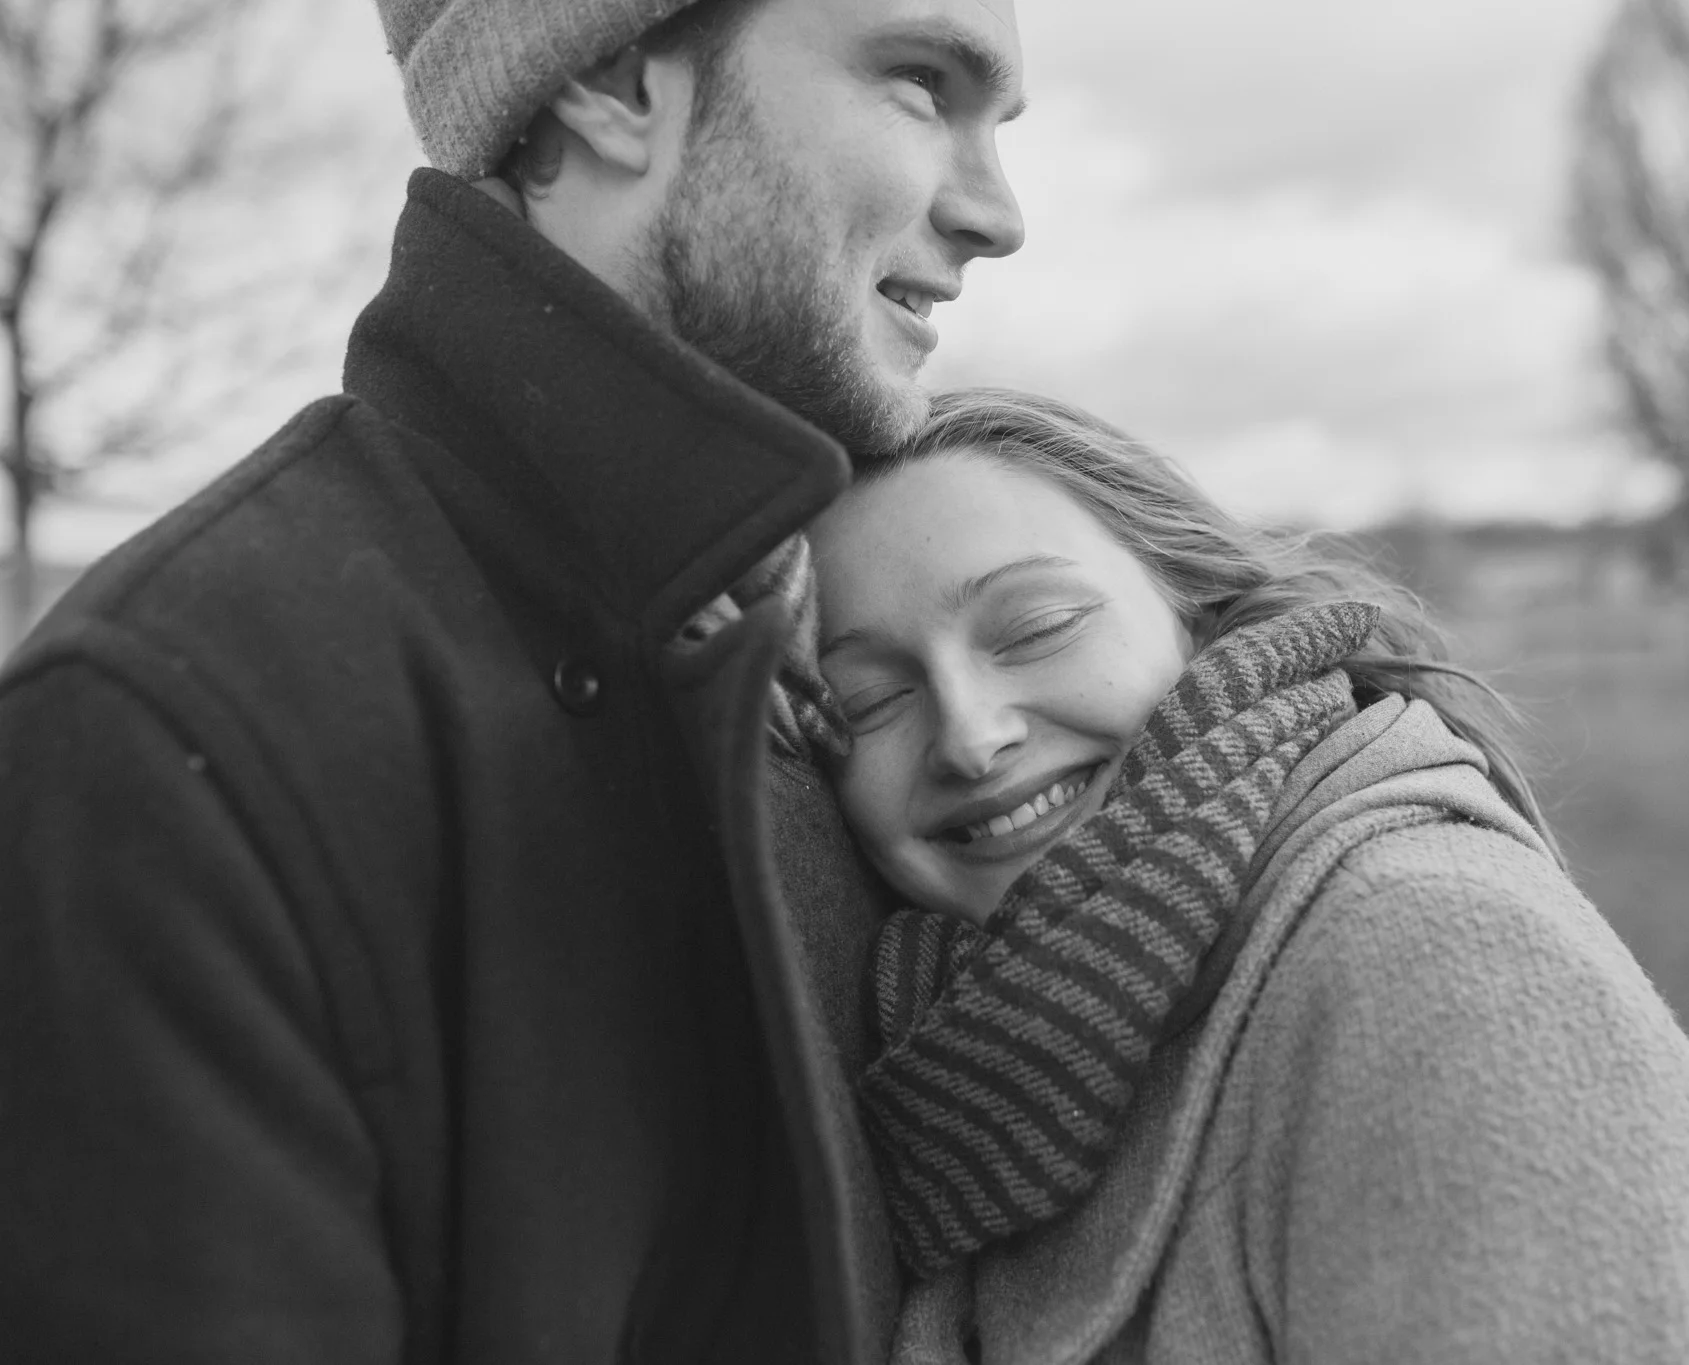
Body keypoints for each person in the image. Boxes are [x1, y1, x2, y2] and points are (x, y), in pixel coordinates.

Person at [0, 2, 1024, 1361]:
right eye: (918, 83)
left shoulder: (853, 666)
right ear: (607, 79)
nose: (999, 212)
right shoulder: (177, 736)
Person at [806, 389, 1689, 1364]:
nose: (972, 738)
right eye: (873, 698)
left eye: (1033, 630)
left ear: (1194, 609)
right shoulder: (955, 1043)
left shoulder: (1446, 969)